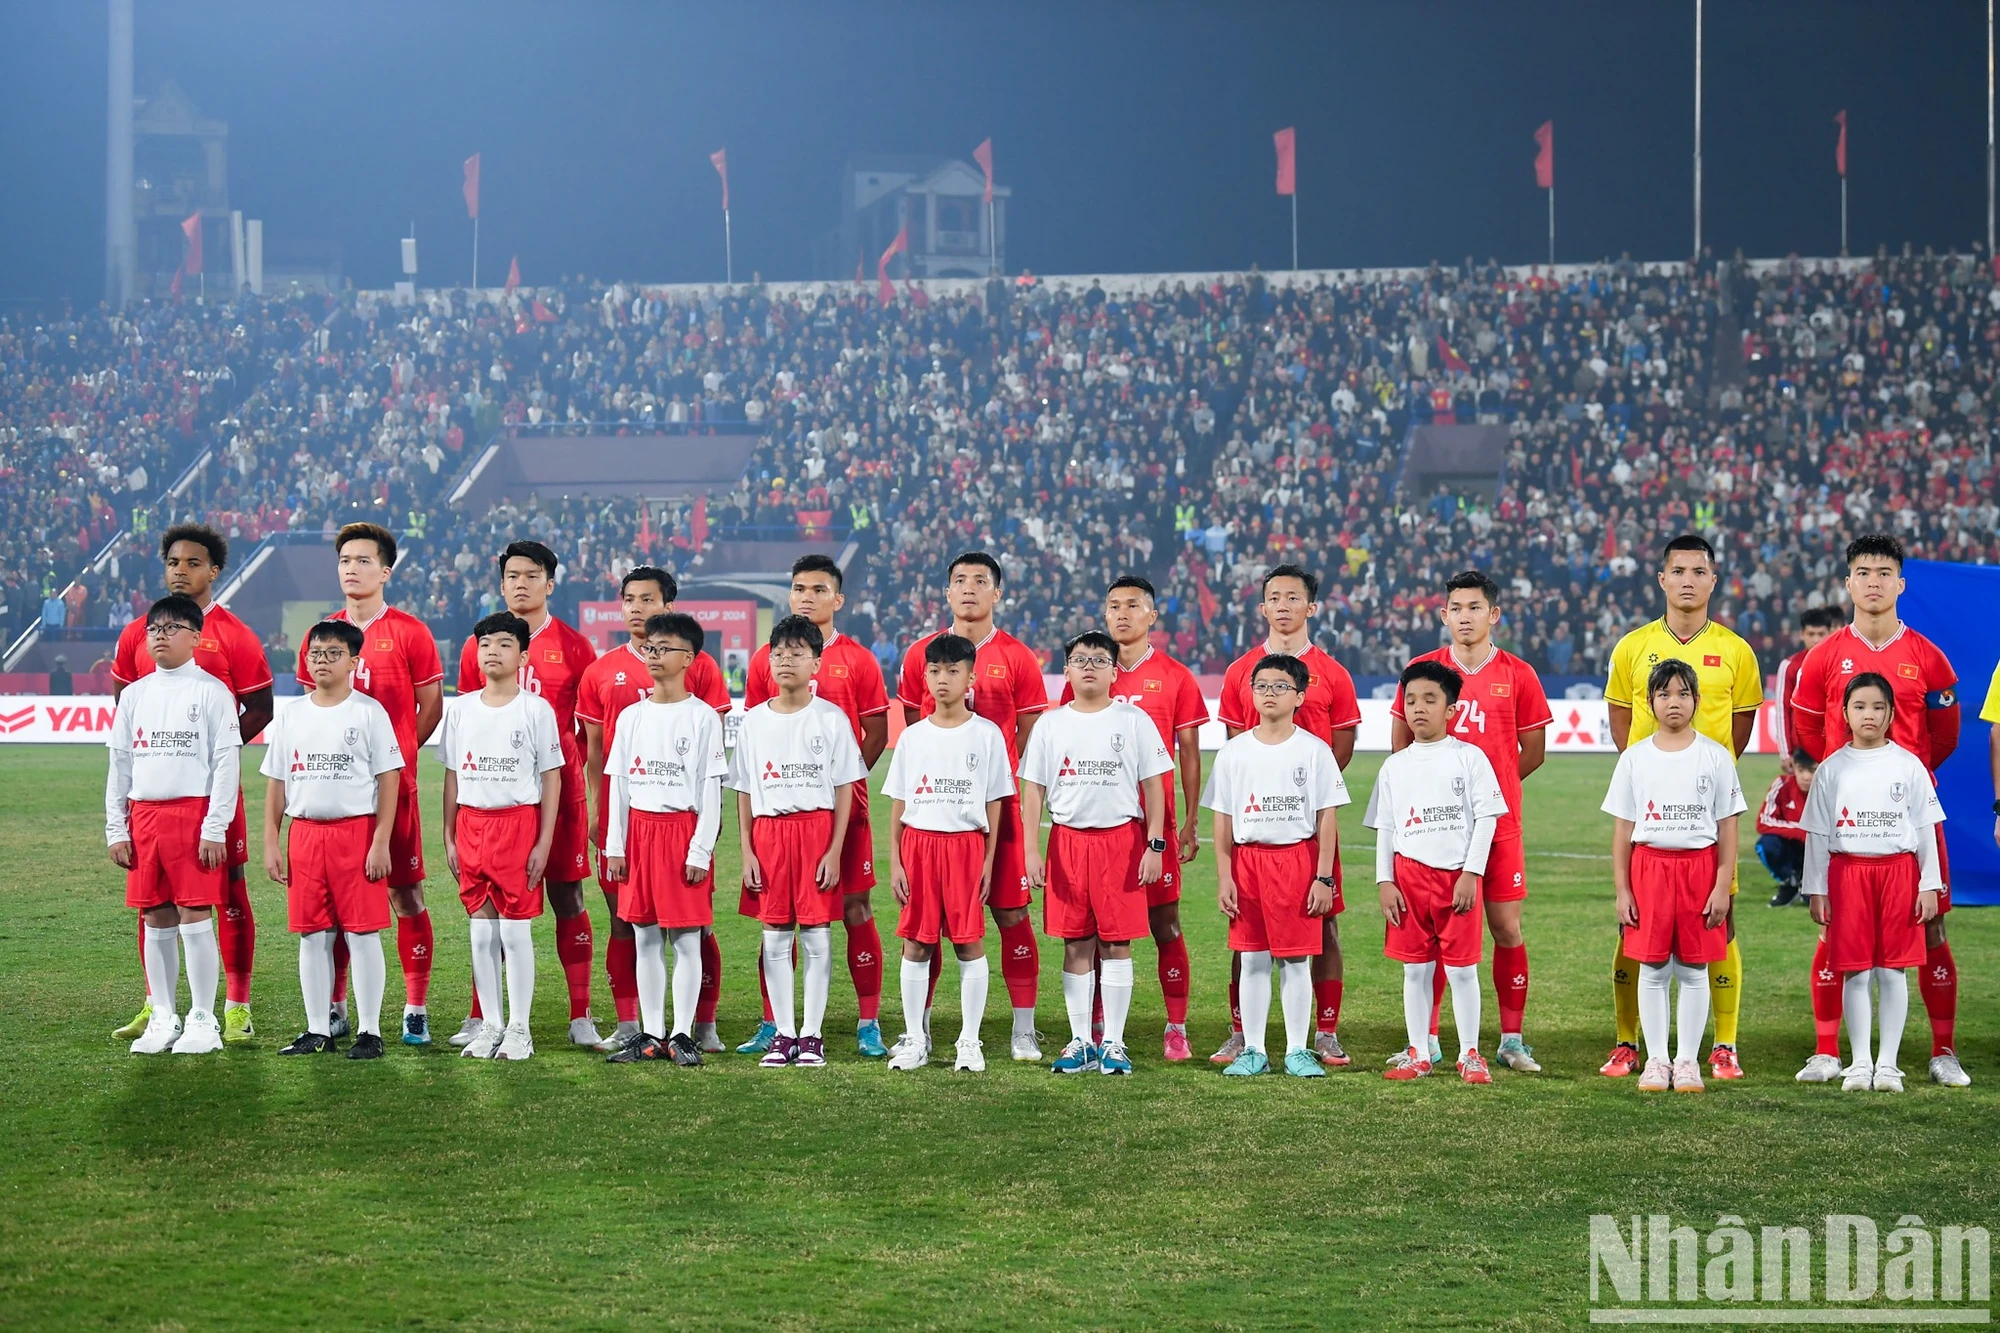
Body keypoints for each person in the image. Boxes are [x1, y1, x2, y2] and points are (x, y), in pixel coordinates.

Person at [1788, 534, 1968, 1088]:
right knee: (1835, 928)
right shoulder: (1822, 658)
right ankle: (1827, 1052)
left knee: (1930, 925)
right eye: (1862, 572)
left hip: (1907, 817)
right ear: (1848, 583)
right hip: (1845, 824)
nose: (1873, 581)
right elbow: (1808, 732)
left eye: (1884, 572)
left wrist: (1898, 779)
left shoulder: (1928, 657)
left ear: (1900, 583)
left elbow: (1945, 737)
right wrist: (1850, 779)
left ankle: (1942, 1051)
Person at [1600, 534, 1761, 1081]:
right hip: (1652, 824)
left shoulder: (1737, 651)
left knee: (1721, 923)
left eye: (1699, 571)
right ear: (1662, 579)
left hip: (1704, 822)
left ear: (1713, 580)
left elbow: (1740, 728)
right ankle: (1628, 1042)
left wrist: (1703, 777)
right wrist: (1649, 773)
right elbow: (1621, 719)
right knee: (1635, 926)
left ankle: (1724, 1044)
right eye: (1678, 571)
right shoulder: (1631, 647)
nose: (1688, 580)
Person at [110, 525, 273, 1047]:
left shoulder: (234, 634)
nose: (181, 569)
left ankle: (234, 1005)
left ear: (213, 571)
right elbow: (126, 707)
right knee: (154, 896)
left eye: (192, 562)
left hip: (210, 795)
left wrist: (212, 755)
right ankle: (157, 1005)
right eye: (173, 561)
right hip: (155, 796)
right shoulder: (138, 633)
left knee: (225, 891)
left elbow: (262, 708)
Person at [1389, 569, 1551, 1073]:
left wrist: (1489, 795)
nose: (1465, 616)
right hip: (1431, 833)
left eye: (1474, 607)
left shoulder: (1518, 674)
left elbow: (1535, 750)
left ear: (1493, 614)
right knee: (1433, 934)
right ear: (1444, 614)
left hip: (1497, 828)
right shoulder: (1423, 671)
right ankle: (1431, 1040)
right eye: (1456, 608)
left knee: (1505, 927)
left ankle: (1511, 1039)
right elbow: (1401, 746)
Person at [296, 523, 445, 1046]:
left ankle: (415, 1006)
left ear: (385, 571)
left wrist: (397, 757)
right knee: (331, 906)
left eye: (363, 560)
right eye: (344, 561)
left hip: (388, 792)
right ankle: (334, 1008)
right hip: (331, 795)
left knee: (405, 895)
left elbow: (431, 707)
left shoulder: (410, 632)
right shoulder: (321, 637)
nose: (351, 569)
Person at [896, 551, 1049, 1061]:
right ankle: (919, 1031)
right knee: (924, 926)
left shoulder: (1020, 658)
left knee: (1009, 914)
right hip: (935, 819)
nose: (969, 589)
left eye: (980, 581)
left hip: (993, 811)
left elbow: (1028, 735)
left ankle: (1022, 1028)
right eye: (959, 580)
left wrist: (990, 777)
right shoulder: (922, 653)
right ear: (946, 592)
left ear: (996, 592)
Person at [453, 541, 606, 1050]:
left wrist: (574, 779)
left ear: (550, 583)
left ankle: (580, 1014)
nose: (521, 583)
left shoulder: (576, 646)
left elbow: (587, 727)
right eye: (512, 575)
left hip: (556, 791)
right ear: (501, 584)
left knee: (567, 894)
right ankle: (483, 1016)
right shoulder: (480, 646)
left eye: (531, 575)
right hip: (496, 799)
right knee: (489, 905)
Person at [739, 555, 891, 1057]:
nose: (807, 596)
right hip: (781, 816)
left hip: (840, 812)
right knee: (777, 917)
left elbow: (876, 732)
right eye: (799, 588)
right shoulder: (767, 659)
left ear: (837, 599)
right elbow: (761, 736)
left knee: (852, 907)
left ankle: (868, 1021)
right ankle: (774, 1022)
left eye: (818, 589)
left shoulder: (860, 660)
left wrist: (839, 778)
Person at [1210, 564, 1360, 1068]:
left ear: (1309, 607)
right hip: (1253, 836)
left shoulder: (1332, 673)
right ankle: (1242, 1035)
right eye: (1273, 597)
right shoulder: (1240, 672)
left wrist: (1301, 788)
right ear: (1263, 607)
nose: (1282, 605)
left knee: (1324, 928)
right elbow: (1234, 752)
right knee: (1246, 938)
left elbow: (1342, 747)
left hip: (1305, 833)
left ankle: (1324, 1032)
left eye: (1293, 597)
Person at [578, 566, 732, 1052]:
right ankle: (650, 1033)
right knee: (643, 935)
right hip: (638, 834)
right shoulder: (630, 716)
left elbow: (712, 789)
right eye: (650, 649)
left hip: (681, 831)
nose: (653, 654)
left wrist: (701, 849)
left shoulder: (704, 717)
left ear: (690, 657)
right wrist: (616, 843)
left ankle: (685, 1033)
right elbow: (616, 781)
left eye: (663, 648)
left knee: (687, 937)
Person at [1059, 576, 1208, 1060]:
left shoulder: (1175, 676)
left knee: (1166, 923)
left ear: (1152, 615)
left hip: (1152, 828)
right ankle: (1096, 1023)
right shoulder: (1087, 670)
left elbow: (1188, 752)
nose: (1121, 614)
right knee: (1097, 927)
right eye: (1113, 606)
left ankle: (1176, 1025)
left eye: (1132, 606)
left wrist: (1187, 821)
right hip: (1100, 827)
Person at [1020, 631, 1173, 1077]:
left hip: (1122, 842)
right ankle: (1081, 1040)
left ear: (1113, 670)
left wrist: (1155, 844)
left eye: (1099, 659)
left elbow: (1155, 786)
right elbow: (1033, 791)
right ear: (1066, 669)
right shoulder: (1051, 723)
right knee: (1075, 943)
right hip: (1067, 841)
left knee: (1117, 942)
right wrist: (1032, 850)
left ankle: (1115, 1043)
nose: (1089, 665)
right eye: (1079, 659)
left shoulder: (1133, 720)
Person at [105, 594, 243, 1055]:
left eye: (171, 627)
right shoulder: (135, 695)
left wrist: (214, 826)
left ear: (195, 637)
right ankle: (163, 1016)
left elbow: (226, 763)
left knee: (195, 914)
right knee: (155, 916)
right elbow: (119, 765)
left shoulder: (211, 691)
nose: (160, 635)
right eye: (154, 629)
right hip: (144, 815)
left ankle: (203, 1019)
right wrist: (116, 828)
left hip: (192, 814)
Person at [729, 616, 868, 1068]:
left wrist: (833, 850)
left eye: (797, 652)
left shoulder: (830, 718)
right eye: (779, 653)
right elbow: (745, 789)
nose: (786, 660)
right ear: (769, 661)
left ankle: (812, 1035)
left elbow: (846, 786)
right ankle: (782, 1034)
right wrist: (748, 850)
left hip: (816, 831)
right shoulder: (752, 721)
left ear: (816, 664)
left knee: (816, 935)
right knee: (774, 937)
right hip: (769, 835)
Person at [1602, 661, 1745, 1093]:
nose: (1673, 703)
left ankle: (1686, 1062)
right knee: (1653, 969)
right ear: (1650, 702)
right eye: (1664, 695)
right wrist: (1623, 889)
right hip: (1649, 868)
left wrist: (1722, 885)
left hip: (1700, 868)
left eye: (1683, 694)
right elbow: (1623, 832)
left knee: (1694, 969)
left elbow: (1728, 828)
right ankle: (1657, 1061)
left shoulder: (1715, 757)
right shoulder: (1635, 758)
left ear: (1697, 701)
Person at [262, 619, 403, 1059]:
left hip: (355, 833)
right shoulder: (291, 714)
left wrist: (381, 840)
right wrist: (271, 840)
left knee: (362, 935)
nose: (322, 661)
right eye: (316, 653)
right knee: (312, 935)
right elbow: (277, 783)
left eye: (333, 653)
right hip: (305, 835)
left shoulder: (368, 712)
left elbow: (389, 779)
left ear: (353, 661)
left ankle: (371, 1031)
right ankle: (317, 1028)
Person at [1800, 673, 1945, 1094]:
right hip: (1848, 875)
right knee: (1856, 973)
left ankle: (1888, 1065)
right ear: (1844, 713)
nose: (1869, 714)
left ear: (1891, 713)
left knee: (1893, 970)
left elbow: (1925, 828)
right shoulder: (1831, 769)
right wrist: (1817, 889)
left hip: (1899, 873)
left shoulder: (1907, 764)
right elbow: (1818, 835)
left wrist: (1929, 883)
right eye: (1860, 706)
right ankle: (1860, 1062)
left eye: (1878, 707)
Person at [1369, 660, 1507, 1084]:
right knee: (1415, 969)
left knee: (1463, 969)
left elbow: (1487, 819)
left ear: (1451, 709)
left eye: (1430, 699)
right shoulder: (1395, 766)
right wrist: (1385, 880)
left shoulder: (1470, 758)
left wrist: (1472, 873)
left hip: (1456, 879)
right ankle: (1418, 1052)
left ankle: (1470, 1054)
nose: (1418, 708)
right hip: (1408, 879)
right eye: (1411, 700)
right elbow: (1386, 827)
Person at [880, 634, 1014, 1072]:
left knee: (969, 944)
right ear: (925, 676)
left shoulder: (987, 734)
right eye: (935, 671)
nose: (943, 679)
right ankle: (916, 1039)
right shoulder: (913, 737)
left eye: (953, 671)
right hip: (919, 846)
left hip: (966, 848)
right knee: (916, 945)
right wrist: (896, 860)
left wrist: (988, 863)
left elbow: (994, 804)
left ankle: (969, 1041)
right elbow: (898, 803)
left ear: (970, 677)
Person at [439, 612, 565, 1062]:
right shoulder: (461, 709)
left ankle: (519, 1029)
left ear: (523, 656)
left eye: (504, 644)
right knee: (480, 934)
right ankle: (490, 1024)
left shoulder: (535, 709)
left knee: (514, 933)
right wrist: (449, 834)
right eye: (485, 643)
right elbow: (453, 775)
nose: (492, 651)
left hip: (517, 825)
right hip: (471, 826)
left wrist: (544, 840)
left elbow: (552, 777)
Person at [1773, 607, 1842, 775]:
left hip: (1835, 748)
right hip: (1801, 751)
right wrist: (1785, 753)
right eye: (1811, 634)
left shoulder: (1842, 664)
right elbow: (1783, 710)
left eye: (1821, 634)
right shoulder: (1789, 666)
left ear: (1830, 633)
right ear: (1802, 634)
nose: (1816, 639)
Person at [1757, 752, 1816, 909]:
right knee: (1766, 844)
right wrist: (1801, 831)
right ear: (1794, 768)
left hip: (1817, 850)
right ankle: (1790, 882)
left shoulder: (1829, 789)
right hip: (1791, 845)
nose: (1806, 776)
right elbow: (1763, 822)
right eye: (1801, 770)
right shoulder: (1782, 784)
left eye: (1812, 770)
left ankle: (1812, 884)